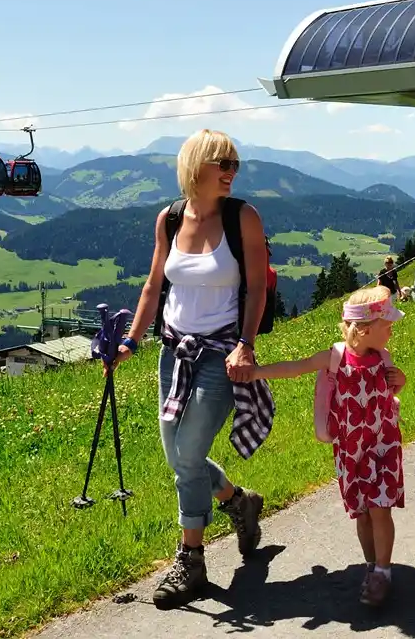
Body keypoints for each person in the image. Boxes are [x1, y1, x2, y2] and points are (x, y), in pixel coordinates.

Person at [113, 129, 273, 608]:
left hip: (222, 355)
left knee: (186, 455)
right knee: (179, 457)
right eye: (220, 163)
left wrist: (246, 344)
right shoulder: (170, 217)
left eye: (234, 164)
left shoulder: (242, 216)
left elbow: (258, 288)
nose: (230, 171)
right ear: (194, 167)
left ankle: (191, 559)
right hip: (174, 353)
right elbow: (152, 286)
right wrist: (129, 340)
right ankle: (238, 502)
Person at [250, 285, 408, 607]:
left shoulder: (383, 358)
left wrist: (400, 380)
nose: (392, 328)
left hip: (383, 447)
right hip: (351, 453)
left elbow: (395, 386)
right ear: (364, 329)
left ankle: (383, 572)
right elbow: (295, 367)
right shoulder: (335, 358)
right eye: (387, 324)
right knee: (362, 515)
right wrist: (256, 372)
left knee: (380, 509)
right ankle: (371, 566)